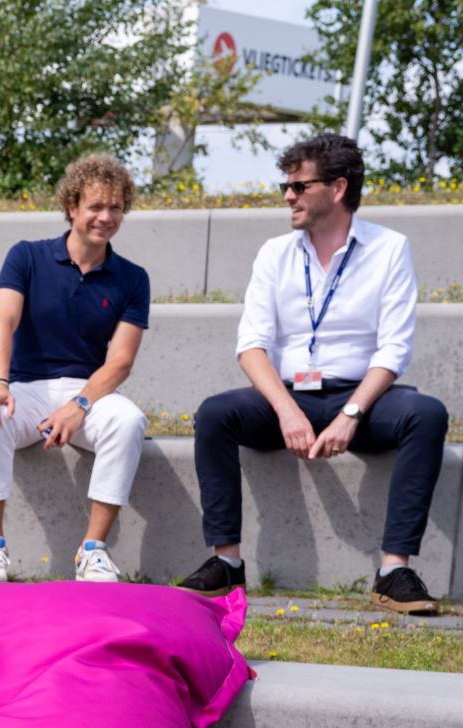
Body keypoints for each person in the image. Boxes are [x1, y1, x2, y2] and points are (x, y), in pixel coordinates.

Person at [185, 133, 447, 615]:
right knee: (215, 413)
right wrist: (286, 410)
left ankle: (393, 572)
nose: (288, 196)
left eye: (299, 186)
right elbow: (252, 345)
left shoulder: (389, 249)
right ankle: (227, 562)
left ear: (339, 188)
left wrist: (350, 413)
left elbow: (394, 347)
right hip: (287, 396)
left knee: (426, 414)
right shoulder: (274, 253)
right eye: (286, 185)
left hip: (360, 397)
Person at [0, 155, 151, 584]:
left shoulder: (133, 277)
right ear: (72, 207)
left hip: (91, 391)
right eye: (95, 207)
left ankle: (92, 551)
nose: (106, 217)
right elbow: (1, 321)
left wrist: (80, 404)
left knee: (129, 422)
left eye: (116, 208)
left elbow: (121, 360)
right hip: (26, 388)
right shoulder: (27, 257)